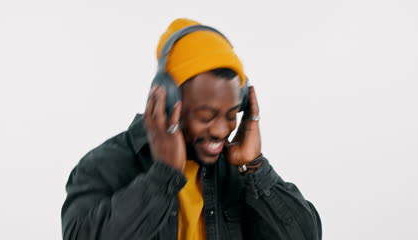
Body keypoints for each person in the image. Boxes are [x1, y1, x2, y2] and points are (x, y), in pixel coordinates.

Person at [61, 18, 322, 240]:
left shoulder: (238, 171)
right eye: (206, 116)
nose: (222, 131)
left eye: (231, 115)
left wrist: (255, 166)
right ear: (168, 103)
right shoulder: (105, 164)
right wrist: (164, 176)